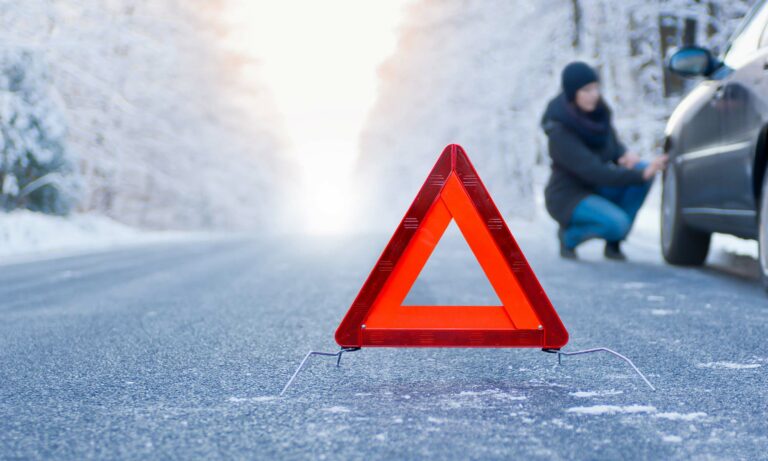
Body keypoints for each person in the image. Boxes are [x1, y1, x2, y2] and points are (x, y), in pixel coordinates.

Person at [541, 61, 668, 260]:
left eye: (596, 88)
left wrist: (624, 155)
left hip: (595, 188)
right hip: (567, 197)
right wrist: (640, 174)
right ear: (573, 92)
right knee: (619, 219)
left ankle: (614, 241)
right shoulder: (559, 131)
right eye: (587, 90)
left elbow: (612, 146)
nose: (594, 94)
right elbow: (594, 171)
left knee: (641, 170)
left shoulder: (599, 114)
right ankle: (569, 237)